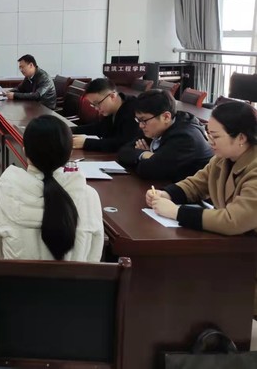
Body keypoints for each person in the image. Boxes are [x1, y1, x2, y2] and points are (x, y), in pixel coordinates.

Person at [146, 101, 257, 312]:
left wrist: (177, 212)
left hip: (248, 262)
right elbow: (197, 184)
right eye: (208, 134)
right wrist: (167, 194)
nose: (209, 141)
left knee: (191, 283)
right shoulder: (223, 158)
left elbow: (233, 221)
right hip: (236, 250)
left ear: (241, 138)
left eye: (215, 136)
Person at [0, 115, 104, 261]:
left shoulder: (2, 192)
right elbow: (94, 257)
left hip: (15, 277)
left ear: (24, 151)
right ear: (70, 154)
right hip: (78, 277)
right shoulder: (89, 196)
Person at [117, 89, 213, 182]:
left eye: (143, 120)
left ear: (166, 117)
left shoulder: (185, 138)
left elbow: (147, 170)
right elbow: (123, 151)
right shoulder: (155, 126)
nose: (141, 125)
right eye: (138, 120)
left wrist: (148, 159)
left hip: (195, 191)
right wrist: (145, 154)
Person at [72, 78, 139, 152]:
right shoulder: (112, 109)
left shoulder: (133, 110)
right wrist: (71, 130)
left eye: (97, 103)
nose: (96, 108)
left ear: (112, 96)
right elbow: (100, 128)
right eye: (93, 105)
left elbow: (123, 143)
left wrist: (86, 143)